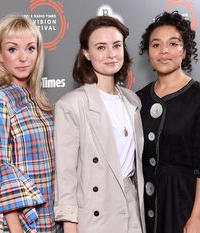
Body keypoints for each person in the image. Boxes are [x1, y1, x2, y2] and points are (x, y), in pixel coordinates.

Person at [54, 16, 146, 233]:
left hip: (131, 207)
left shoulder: (132, 101)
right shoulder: (72, 104)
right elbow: (66, 175)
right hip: (95, 213)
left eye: (116, 45)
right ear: (86, 53)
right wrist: (69, 225)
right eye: (101, 47)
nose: (111, 54)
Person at [137, 11, 200, 233]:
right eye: (156, 45)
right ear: (148, 53)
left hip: (184, 207)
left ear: (185, 51)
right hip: (144, 211)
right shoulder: (137, 100)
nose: (164, 50)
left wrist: (196, 217)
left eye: (173, 43)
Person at [0, 15, 59, 233]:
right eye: (13, 49)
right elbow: (1, 170)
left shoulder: (38, 98)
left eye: (30, 48)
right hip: (24, 220)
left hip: (51, 214)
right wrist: (16, 229)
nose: (23, 58)